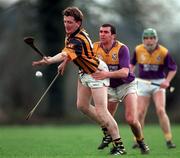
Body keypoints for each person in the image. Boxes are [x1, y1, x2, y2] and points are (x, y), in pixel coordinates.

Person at [32, 7, 127, 155]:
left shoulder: (78, 39)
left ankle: (119, 145)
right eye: (65, 21)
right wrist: (65, 62)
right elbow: (69, 52)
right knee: (82, 106)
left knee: (102, 111)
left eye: (70, 22)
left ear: (78, 23)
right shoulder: (70, 35)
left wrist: (50, 60)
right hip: (84, 72)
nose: (66, 25)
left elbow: (65, 53)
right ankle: (107, 128)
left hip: (96, 72)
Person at [92, 23, 149, 154]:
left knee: (131, 119)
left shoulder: (122, 48)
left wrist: (105, 74)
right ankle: (115, 144)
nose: (102, 34)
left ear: (113, 35)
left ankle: (140, 141)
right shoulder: (94, 47)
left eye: (106, 32)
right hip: (109, 87)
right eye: (101, 31)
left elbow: (124, 72)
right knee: (106, 119)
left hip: (126, 85)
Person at [130, 28, 177, 149]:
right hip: (143, 84)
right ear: (143, 40)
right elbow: (132, 64)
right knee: (139, 112)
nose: (149, 41)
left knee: (160, 110)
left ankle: (169, 139)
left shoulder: (163, 52)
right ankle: (137, 139)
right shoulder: (138, 49)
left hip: (158, 83)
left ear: (156, 39)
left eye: (152, 38)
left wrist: (167, 81)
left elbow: (173, 68)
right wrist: (129, 73)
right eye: (146, 38)